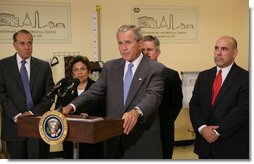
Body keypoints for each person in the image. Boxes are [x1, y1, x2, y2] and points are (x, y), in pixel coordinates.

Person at [62, 25, 166, 159]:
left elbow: (153, 97)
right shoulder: (110, 67)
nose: (123, 47)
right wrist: (71, 106)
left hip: (141, 140)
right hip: (113, 140)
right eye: (120, 43)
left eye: (128, 42)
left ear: (140, 43)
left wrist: (136, 111)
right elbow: (94, 91)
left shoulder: (155, 69)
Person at [189, 36, 249, 159]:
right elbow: (194, 105)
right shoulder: (204, 76)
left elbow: (243, 109)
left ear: (234, 53)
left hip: (232, 146)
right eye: (216, 48)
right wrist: (202, 128)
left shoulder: (246, 78)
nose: (218, 53)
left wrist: (216, 132)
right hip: (204, 146)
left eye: (224, 49)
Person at [0, 29, 55, 159]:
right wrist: (17, 115)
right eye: (22, 43)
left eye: (29, 43)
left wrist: (32, 113)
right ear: (14, 45)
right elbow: (1, 93)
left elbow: (50, 94)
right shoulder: (3, 65)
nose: (27, 47)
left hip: (38, 125)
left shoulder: (44, 66)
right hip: (14, 127)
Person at [55, 55, 105, 159]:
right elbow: (58, 109)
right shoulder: (66, 89)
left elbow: (104, 110)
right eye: (76, 70)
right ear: (72, 73)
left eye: (83, 69)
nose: (79, 72)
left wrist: (90, 116)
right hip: (69, 134)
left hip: (91, 136)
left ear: (89, 71)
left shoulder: (97, 88)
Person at [141, 35, 183, 159]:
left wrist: (166, 121)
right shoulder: (134, 75)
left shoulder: (170, 75)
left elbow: (176, 103)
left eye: (149, 49)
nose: (146, 53)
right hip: (140, 128)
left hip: (163, 128)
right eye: (143, 50)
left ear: (158, 52)